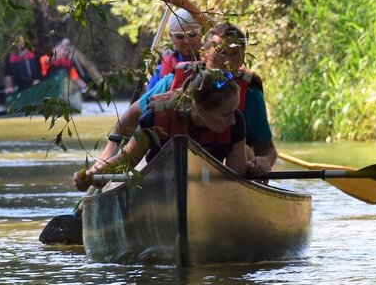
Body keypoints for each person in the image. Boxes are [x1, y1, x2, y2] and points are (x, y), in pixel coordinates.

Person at [100, 22, 278, 178]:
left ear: (243, 59)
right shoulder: (171, 84)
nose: (227, 62)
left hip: (223, 171)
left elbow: (267, 149)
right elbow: (128, 118)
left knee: (246, 151)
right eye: (221, 54)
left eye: (234, 55)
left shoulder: (251, 95)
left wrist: (264, 161)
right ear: (203, 54)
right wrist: (103, 160)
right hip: (167, 170)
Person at [73, 69, 246, 190]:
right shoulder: (156, 119)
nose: (232, 120)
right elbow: (127, 158)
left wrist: (257, 166)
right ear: (200, 109)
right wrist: (92, 175)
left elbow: (236, 178)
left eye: (234, 111)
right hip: (160, 190)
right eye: (226, 114)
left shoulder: (236, 121)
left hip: (209, 192)